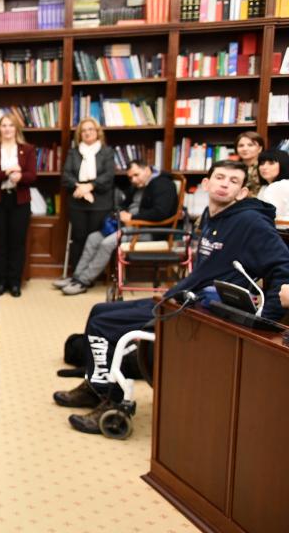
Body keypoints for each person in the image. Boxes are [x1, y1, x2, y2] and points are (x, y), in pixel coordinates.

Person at [52, 160, 289, 434]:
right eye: (220, 177)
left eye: (233, 181)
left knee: (107, 325)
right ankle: (95, 386)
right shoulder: (212, 216)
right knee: (99, 312)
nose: (225, 184)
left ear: (242, 193)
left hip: (204, 311)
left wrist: (264, 323)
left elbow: (283, 268)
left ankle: (110, 401)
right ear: (206, 184)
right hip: (182, 298)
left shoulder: (250, 221)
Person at [53, 160, 178, 295]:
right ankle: (76, 276)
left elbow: (161, 212)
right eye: (130, 177)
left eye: (136, 175)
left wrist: (132, 218)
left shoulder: (164, 185)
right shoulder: (139, 185)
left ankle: (83, 281)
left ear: (147, 169)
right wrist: (119, 213)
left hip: (149, 230)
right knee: (93, 238)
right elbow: (125, 204)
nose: (133, 180)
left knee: (108, 243)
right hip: (129, 226)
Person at [0, 113, 36, 297]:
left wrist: (20, 177)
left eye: (11, 126)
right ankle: (0, 282)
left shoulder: (27, 149)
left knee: (17, 243)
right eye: (4, 126)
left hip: (19, 201)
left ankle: (15, 283)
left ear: (16, 129)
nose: (7, 129)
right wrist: (6, 172)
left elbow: (32, 176)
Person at [62, 117, 115, 276]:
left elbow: (108, 176)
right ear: (80, 134)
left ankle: (91, 276)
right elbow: (66, 176)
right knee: (79, 238)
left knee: (95, 239)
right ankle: (77, 274)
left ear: (97, 132)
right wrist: (82, 188)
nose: (87, 133)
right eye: (83, 130)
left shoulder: (107, 152)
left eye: (90, 129)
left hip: (100, 202)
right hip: (78, 201)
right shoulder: (73, 152)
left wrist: (90, 186)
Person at [257, 150, 289, 219]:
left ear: (283, 164)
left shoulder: (281, 185)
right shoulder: (265, 187)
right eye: (262, 163)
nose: (264, 167)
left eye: (271, 163)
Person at [235, 131, 265, 197]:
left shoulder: (265, 167)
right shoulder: (233, 168)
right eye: (241, 145)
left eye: (250, 145)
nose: (245, 149)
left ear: (260, 148)